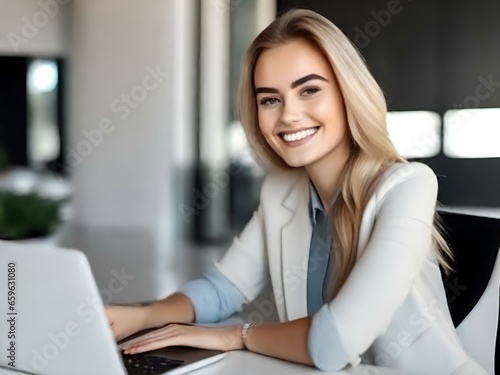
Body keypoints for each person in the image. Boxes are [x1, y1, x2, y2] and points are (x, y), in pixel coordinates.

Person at [106, 8, 487, 374]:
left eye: (308, 90)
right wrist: (139, 316)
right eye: (270, 99)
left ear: (346, 92)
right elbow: (223, 289)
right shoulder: (281, 190)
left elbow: (333, 343)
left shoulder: (408, 186)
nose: (287, 115)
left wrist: (236, 336)